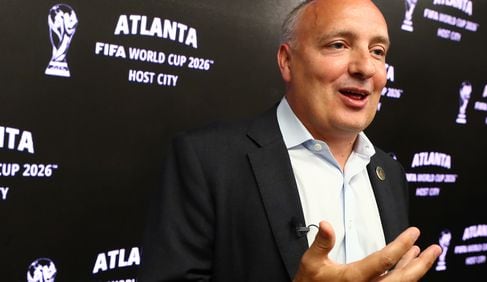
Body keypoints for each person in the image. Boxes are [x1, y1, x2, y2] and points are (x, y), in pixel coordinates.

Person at [139, 0, 442, 281]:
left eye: (377, 51)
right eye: (339, 45)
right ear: (287, 61)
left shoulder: (390, 173)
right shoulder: (206, 160)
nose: (364, 67)